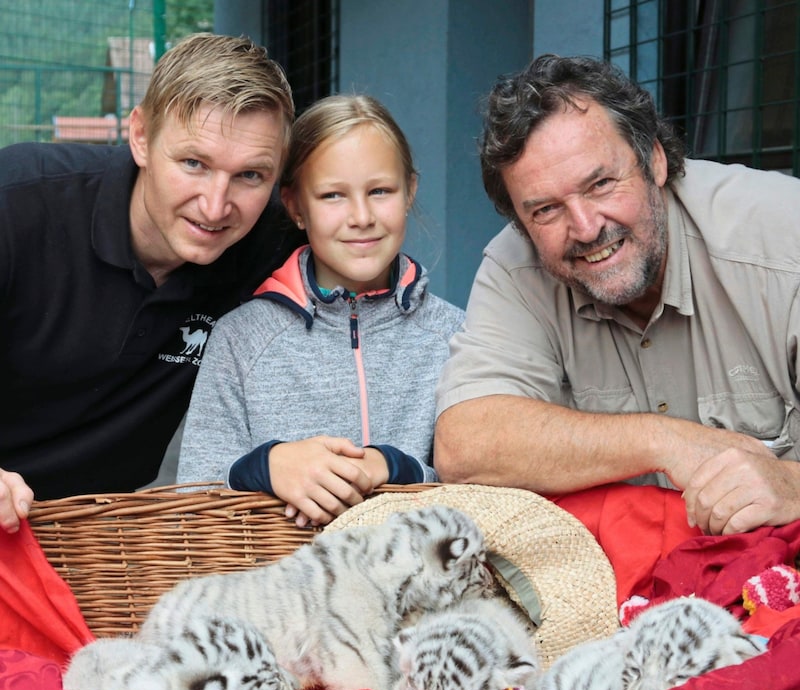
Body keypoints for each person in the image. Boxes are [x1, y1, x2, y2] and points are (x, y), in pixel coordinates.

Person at [434, 53, 800, 536]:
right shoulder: (514, 268)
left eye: (601, 183)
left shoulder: (782, 235)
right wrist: (663, 441)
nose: (586, 228)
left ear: (655, 160)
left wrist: (792, 486)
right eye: (545, 210)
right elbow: (466, 445)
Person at [0, 33, 304, 533]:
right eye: (193, 164)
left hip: (105, 545)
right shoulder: (19, 203)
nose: (215, 206)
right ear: (140, 136)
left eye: (250, 175)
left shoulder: (272, 241)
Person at [177, 94, 465, 526]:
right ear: (295, 207)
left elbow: (486, 486)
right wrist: (268, 466)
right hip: (279, 587)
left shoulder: (457, 335)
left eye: (380, 191)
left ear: (410, 191)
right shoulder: (241, 339)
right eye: (333, 195)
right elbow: (193, 497)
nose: (362, 216)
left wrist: (395, 468)